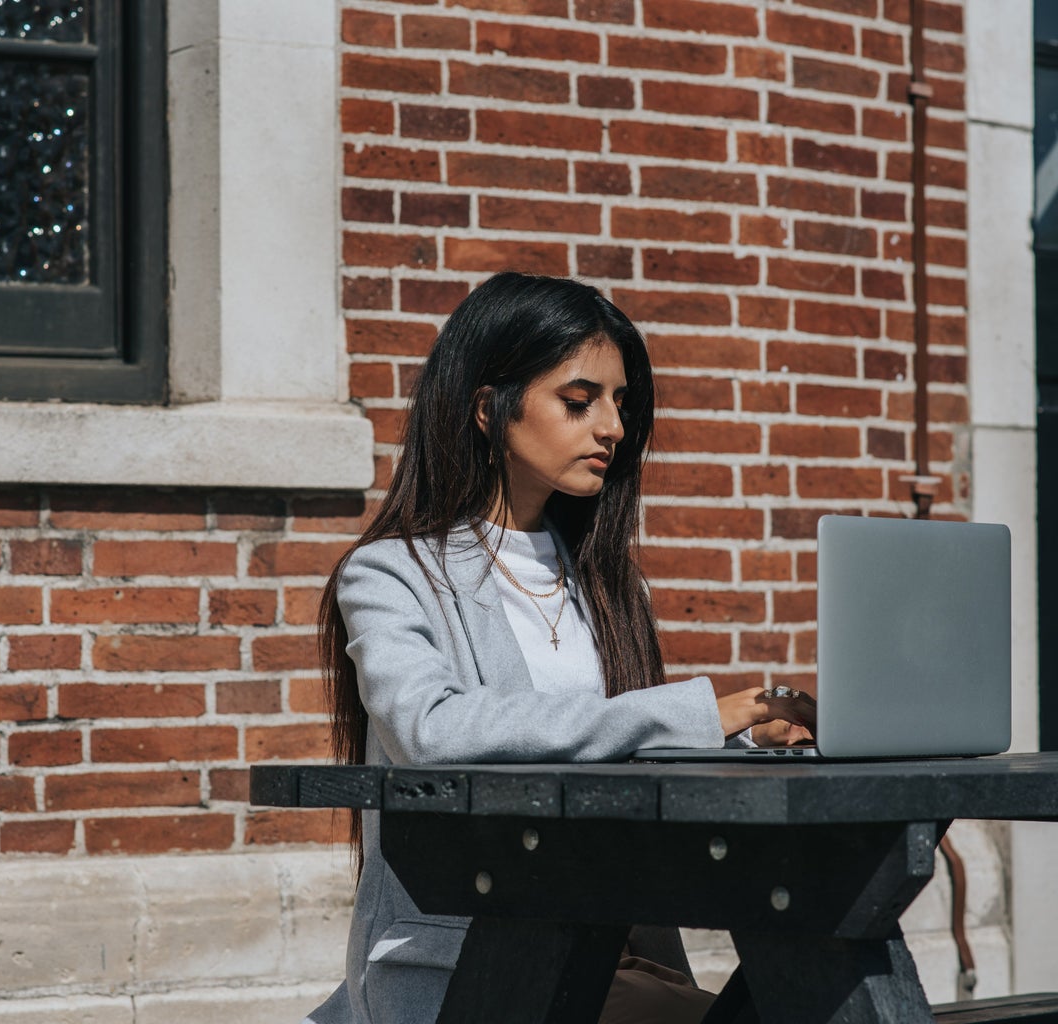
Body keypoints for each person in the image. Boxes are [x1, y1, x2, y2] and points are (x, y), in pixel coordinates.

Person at [307, 272, 815, 1024]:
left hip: (622, 949)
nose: (610, 426)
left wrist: (751, 741)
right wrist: (691, 711)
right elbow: (431, 731)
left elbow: (630, 759)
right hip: (471, 957)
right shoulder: (393, 574)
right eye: (579, 402)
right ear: (488, 409)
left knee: (810, 997)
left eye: (620, 403)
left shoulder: (612, 589)